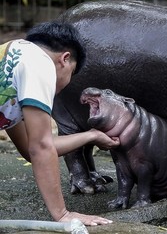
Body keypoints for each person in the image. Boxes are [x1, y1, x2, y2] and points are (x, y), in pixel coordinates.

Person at [0, 21, 120, 226]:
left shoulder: (14, 55)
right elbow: (41, 148)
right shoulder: (40, 63)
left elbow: (32, 148)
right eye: (71, 75)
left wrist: (92, 135)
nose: (66, 83)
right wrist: (63, 215)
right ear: (64, 59)